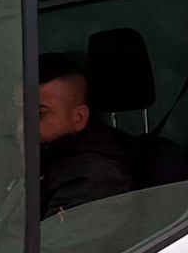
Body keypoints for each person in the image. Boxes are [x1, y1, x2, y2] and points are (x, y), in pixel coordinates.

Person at [38, 53, 135, 219]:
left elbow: (57, 236)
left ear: (79, 117)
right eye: (17, 111)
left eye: (39, 114)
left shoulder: (95, 180)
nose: (21, 125)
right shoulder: (39, 161)